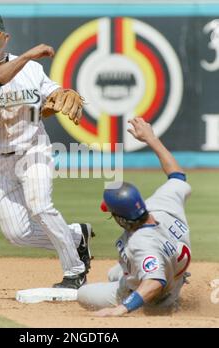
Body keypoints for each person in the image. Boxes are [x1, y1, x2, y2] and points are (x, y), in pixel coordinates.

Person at [0, 13, 94, 289]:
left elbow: (53, 96)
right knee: (17, 233)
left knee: (41, 207)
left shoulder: (33, 71)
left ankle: (74, 271)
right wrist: (27, 57)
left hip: (34, 150)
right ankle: (76, 236)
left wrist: (61, 94)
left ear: (5, 37)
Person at [77, 117, 192, 316]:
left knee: (82, 294)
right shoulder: (163, 205)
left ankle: (160, 305)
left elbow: (155, 282)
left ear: (121, 219)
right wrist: (151, 139)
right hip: (174, 270)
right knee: (114, 272)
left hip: (158, 297)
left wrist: (121, 309)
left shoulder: (140, 243)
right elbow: (177, 176)